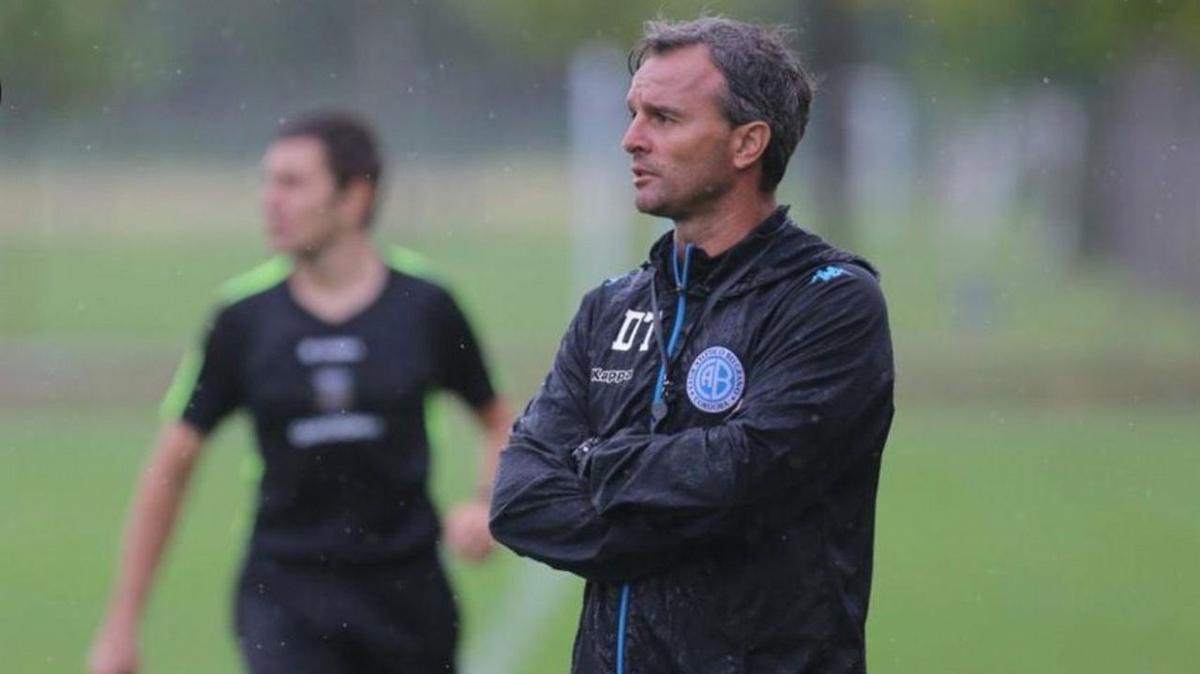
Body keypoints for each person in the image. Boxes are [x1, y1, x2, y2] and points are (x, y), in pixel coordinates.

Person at [489, 17, 894, 674]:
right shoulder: (610, 306)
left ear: (747, 143)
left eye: (664, 118)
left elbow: (742, 474)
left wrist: (594, 463)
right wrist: (678, 504)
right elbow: (519, 498)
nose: (631, 140)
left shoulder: (828, 300)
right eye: (633, 114)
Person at [88, 112, 510, 674]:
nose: (271, 200)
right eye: (268, 182)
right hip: (286, 596)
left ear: (355, 196)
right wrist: (122, 623)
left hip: (408, 596)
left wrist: (488, 503)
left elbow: (499, 419)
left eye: (292, 183)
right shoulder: (242, 319)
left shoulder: (426, 307)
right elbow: (171, 466)